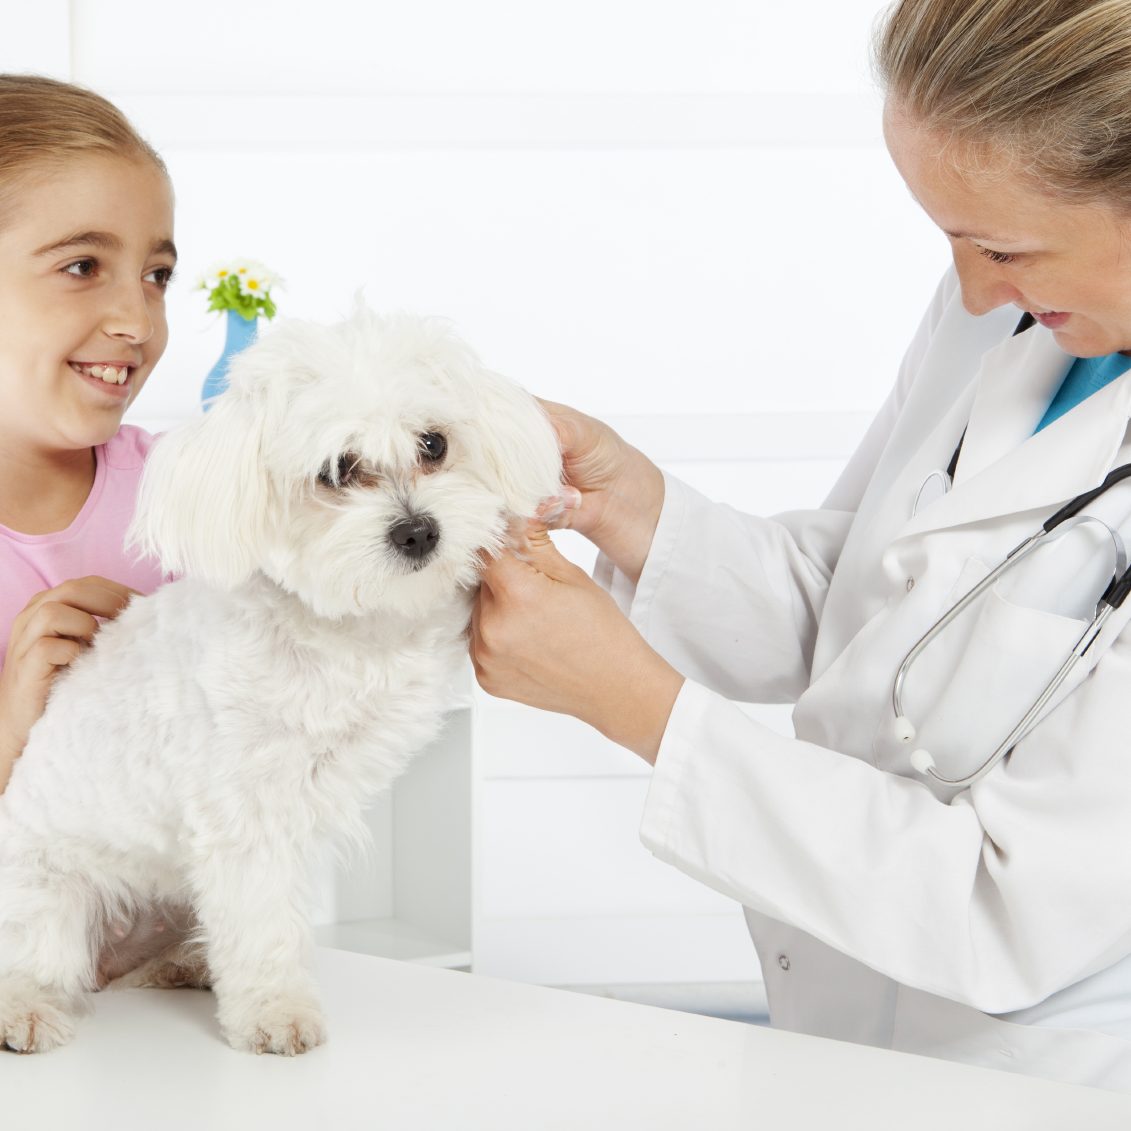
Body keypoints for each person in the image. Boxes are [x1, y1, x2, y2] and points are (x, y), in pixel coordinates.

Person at [471, 0, 1131, 1093]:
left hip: (1054, 1077)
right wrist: (631, 506)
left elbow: (1005, 910)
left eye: (1003, 248)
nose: (971, 289)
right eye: (950, 240)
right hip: (840, 1040)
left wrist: (632, 702)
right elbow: (873, 597)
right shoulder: (1008, 309)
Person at [0, 75, 176, 794]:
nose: (137, 320)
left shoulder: (185, 497)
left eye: (157, 274)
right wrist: (13, 734)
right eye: (82, 266)